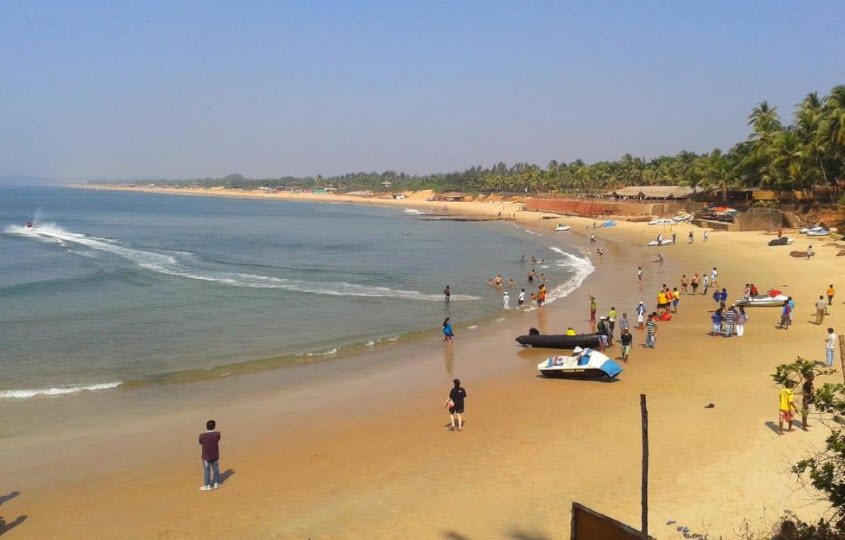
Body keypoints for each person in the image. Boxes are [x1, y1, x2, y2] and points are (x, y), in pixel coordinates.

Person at [198, 420, 221, 491]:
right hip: (215, 455)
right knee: (216, 469)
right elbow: (218, 439)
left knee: (207, 470)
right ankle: (216, 483)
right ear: (214, 426)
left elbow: (200, 442)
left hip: (206, 456)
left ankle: (207, 485)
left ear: (206, 426)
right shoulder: (217, 434)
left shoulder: (202, 436)